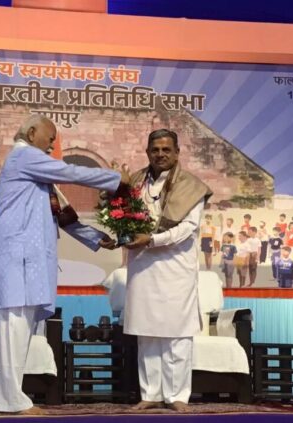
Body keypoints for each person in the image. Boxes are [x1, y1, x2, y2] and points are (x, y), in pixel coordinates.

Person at [0, 115, 123, 415]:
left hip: (28, 259)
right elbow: (71, 172)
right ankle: (13, 401)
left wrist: (95, 238)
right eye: (50, 139)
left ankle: (5, 397)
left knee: (20, 329)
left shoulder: (36, 168)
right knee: (15, 327)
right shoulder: (24, 156)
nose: (52, 145)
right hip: (18, 256)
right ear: (31, 133)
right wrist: (117, 180)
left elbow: (62, 213)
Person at [123, 128, 212, 412]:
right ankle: (150, 393)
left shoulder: (191, 186)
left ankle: (177, 395)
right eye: (155, 150)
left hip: (175, 268)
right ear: (147, 152)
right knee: (146, 332)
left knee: (177, 333)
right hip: (143, 266)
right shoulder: (135, 181)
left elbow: (188, 228)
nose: (160, 154)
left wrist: (152, 239)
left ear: (176, 152)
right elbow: (120, 214)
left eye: (166, 149)